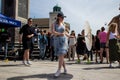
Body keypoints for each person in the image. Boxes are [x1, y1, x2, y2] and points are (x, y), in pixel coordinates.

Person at [51, 12, 71, 77]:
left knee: (61, 55)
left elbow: (65, 33)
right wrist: (59, 34)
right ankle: (65, 68)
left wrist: (70, 36)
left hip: (63, 41)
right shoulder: (54, 24)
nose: (63, 18)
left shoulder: (63, 24)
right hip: (57, 41)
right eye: (62, 17)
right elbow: (53, 32)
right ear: (58, 17)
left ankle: (59, 70)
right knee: (60, 57)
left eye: (63, 17)